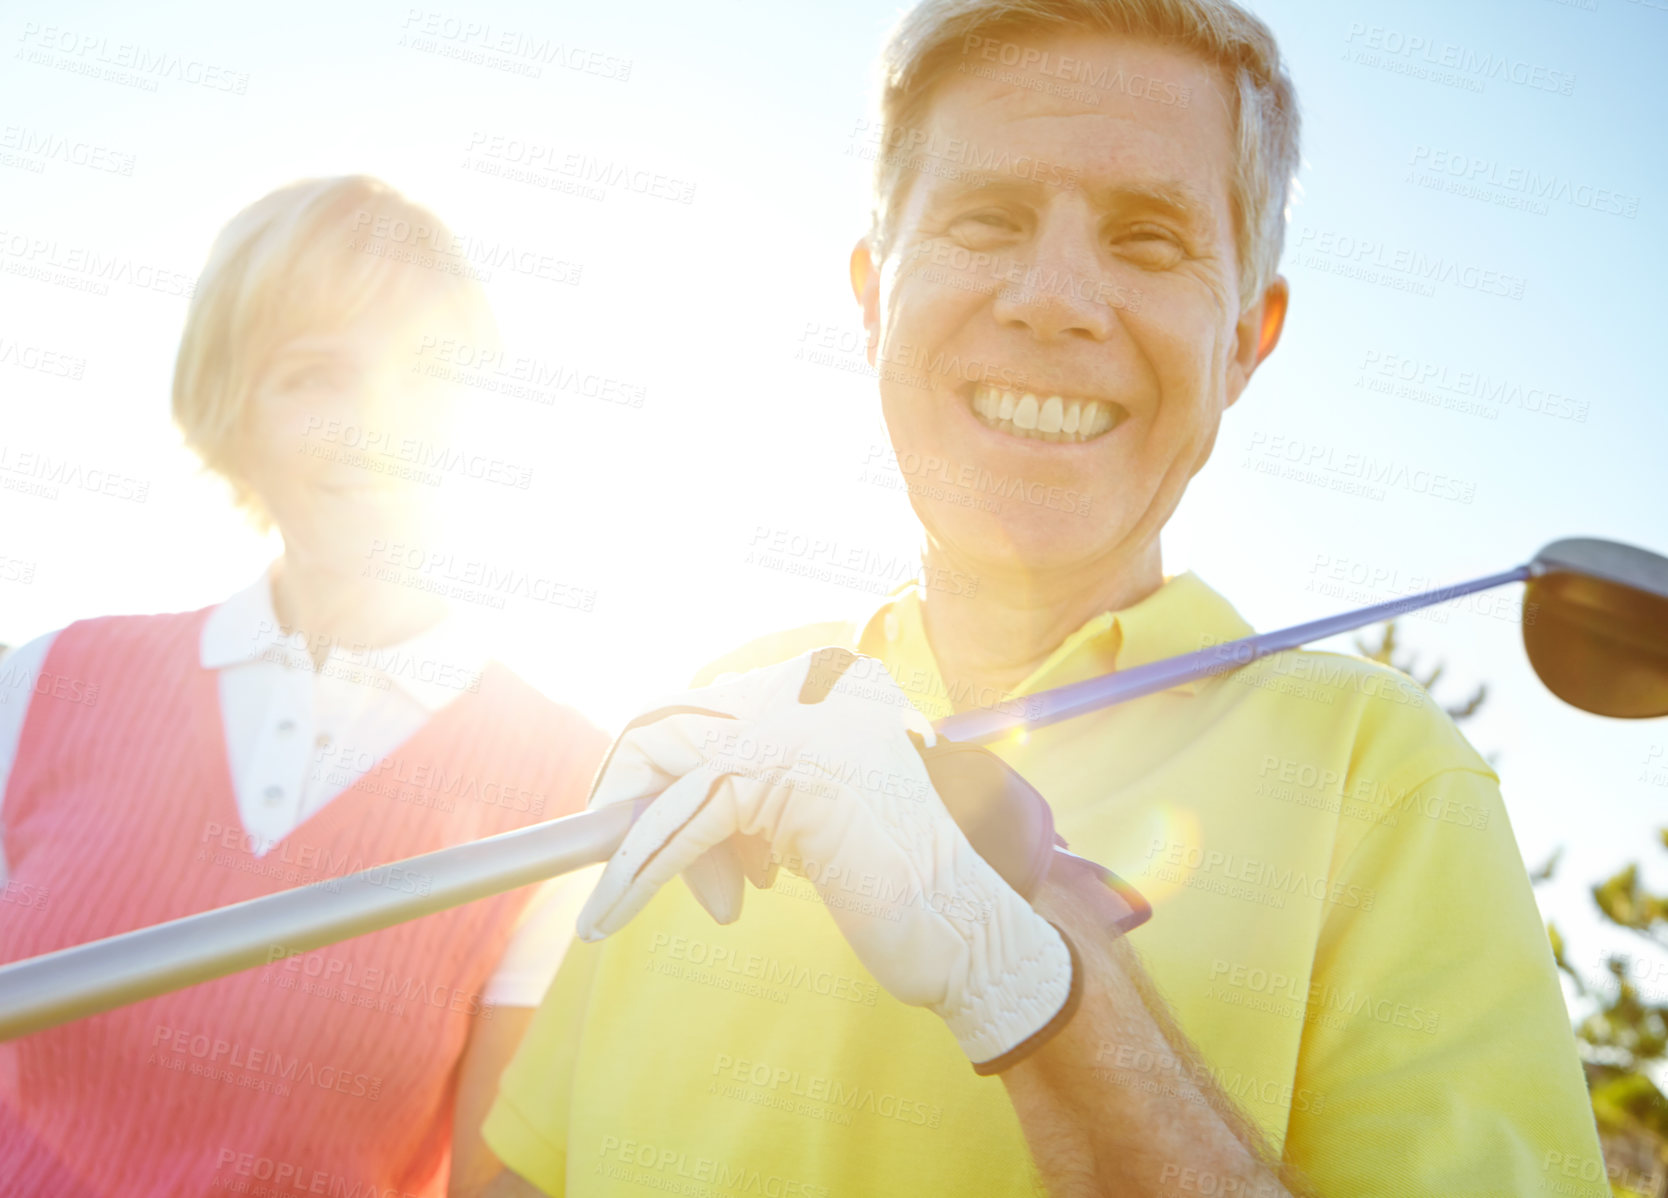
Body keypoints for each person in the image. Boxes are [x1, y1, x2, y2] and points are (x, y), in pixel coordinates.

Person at [476, 2, 1606, 1195]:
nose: (1053, 295)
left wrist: (1031, 978)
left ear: (1245, 340)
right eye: (987, 218)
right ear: (872, 295)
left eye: (1149, 238)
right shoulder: (717, 715)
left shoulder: (1379, 775)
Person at [0, 176, 608, 1197]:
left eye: (423, 373)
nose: (373, 421)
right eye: (313, 375)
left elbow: (495, 1183)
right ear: (233, 415)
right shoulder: (47, 682)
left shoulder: (568, 784)